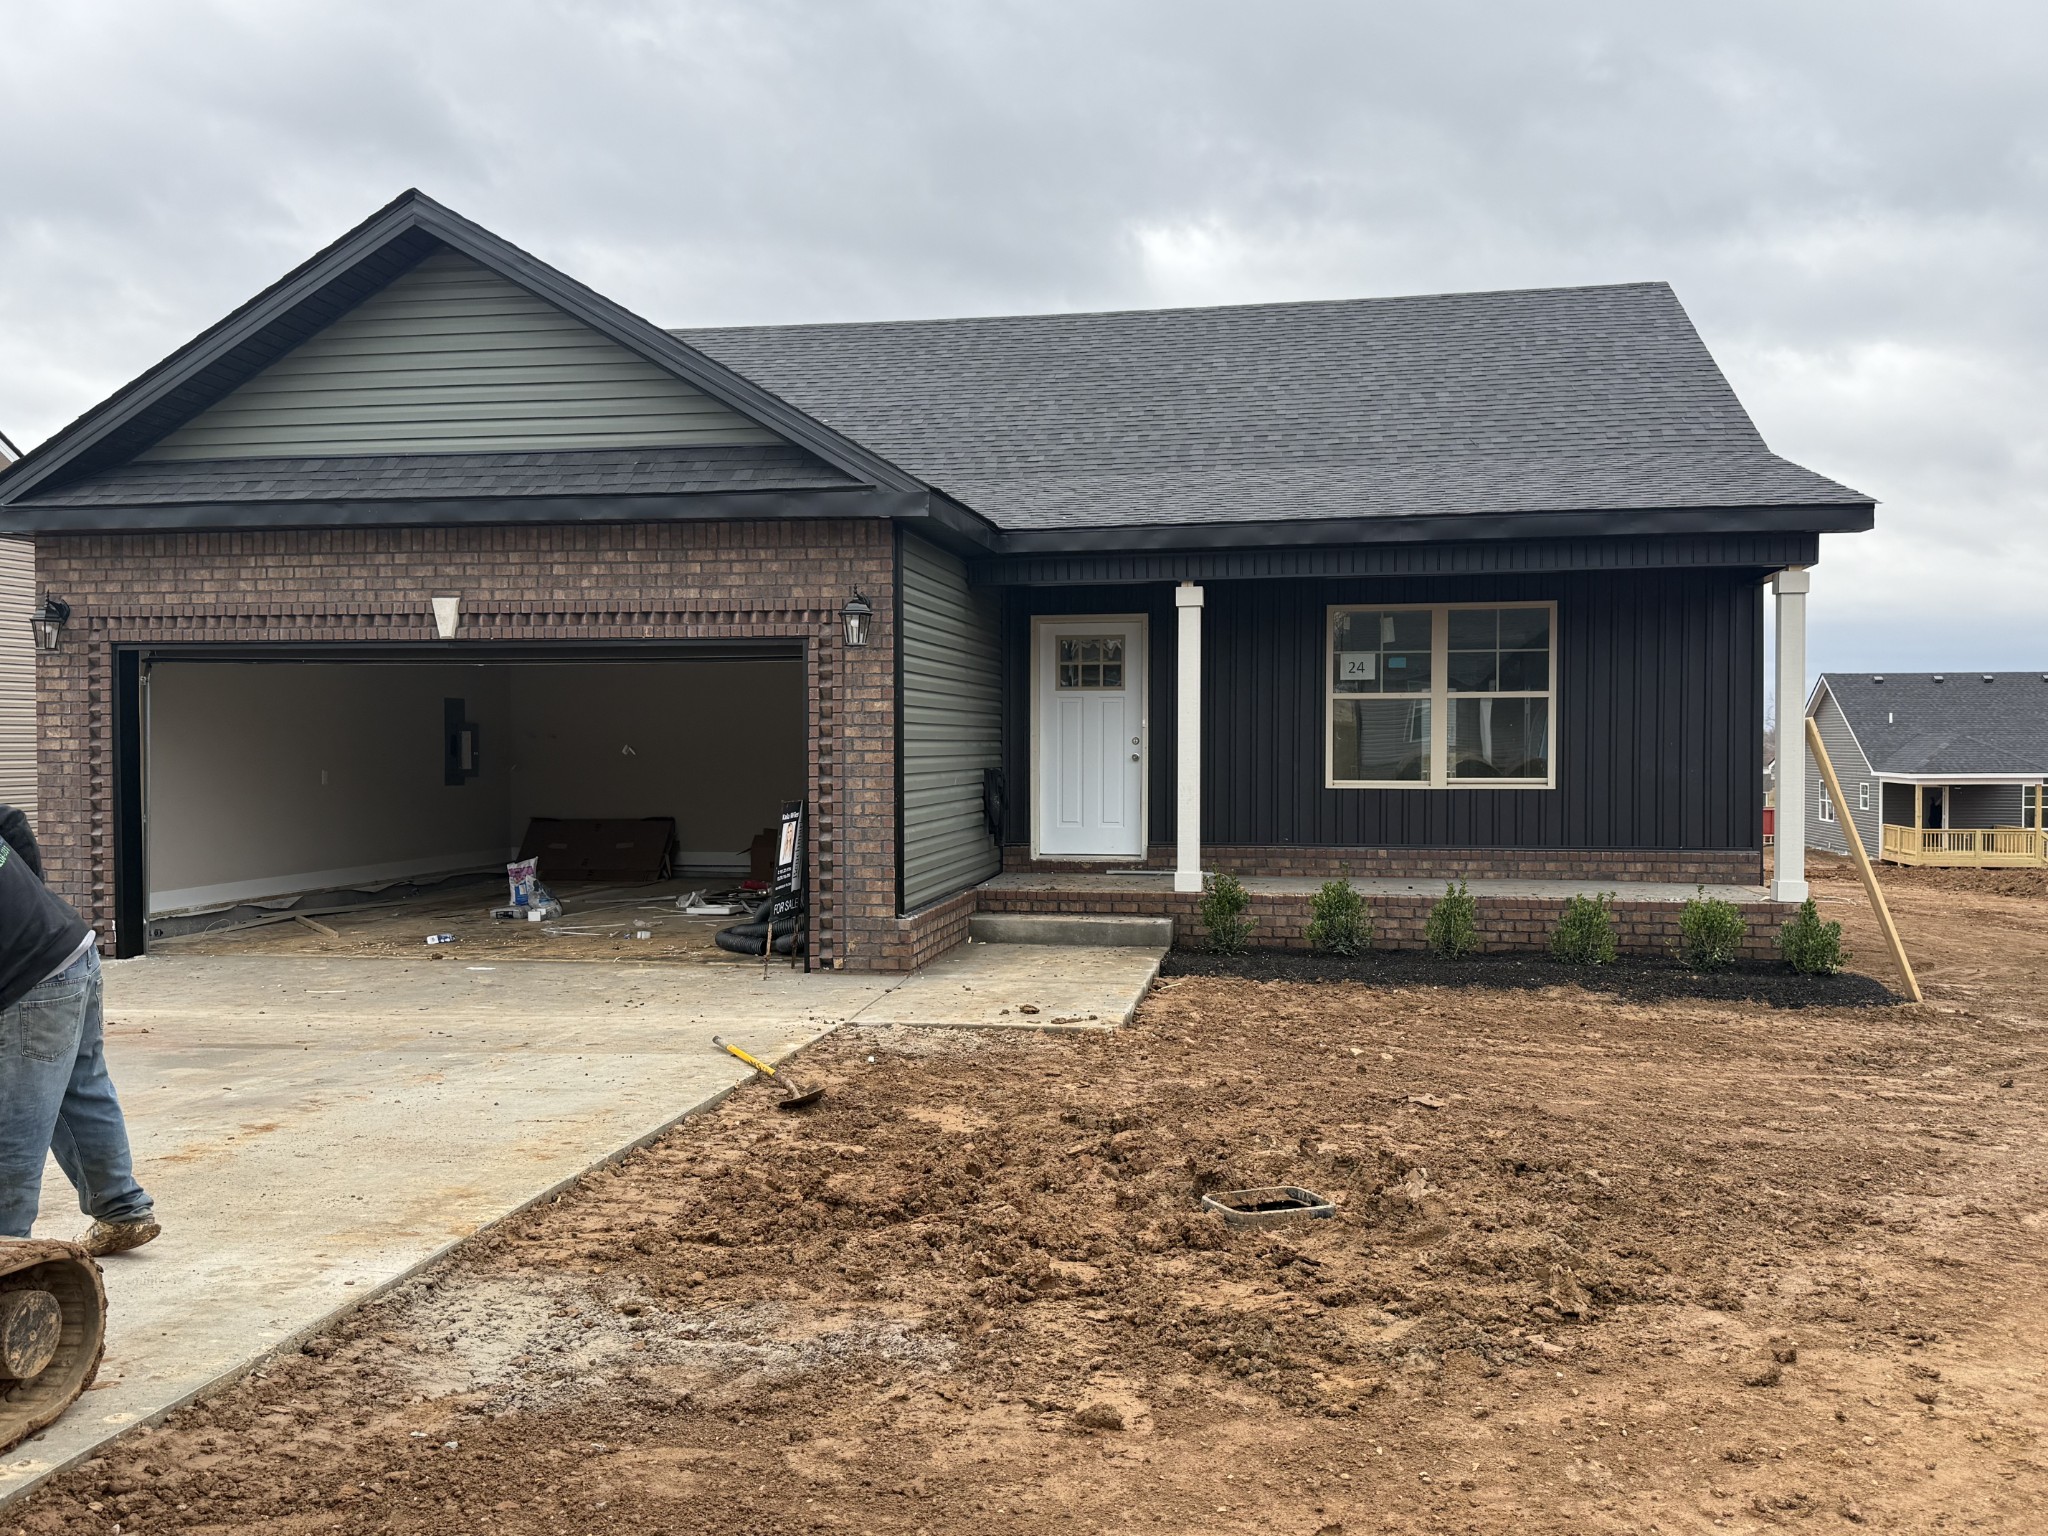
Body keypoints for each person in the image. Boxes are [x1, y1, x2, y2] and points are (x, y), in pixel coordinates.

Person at [0, 803, 157, 1254]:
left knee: (13, 1120)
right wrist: (31, 908)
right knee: (79, 1088)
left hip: (30, 975)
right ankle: (122, 1211)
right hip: (69, 947)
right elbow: (10, 821)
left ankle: (8, 1250)